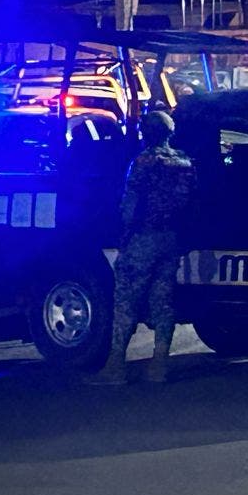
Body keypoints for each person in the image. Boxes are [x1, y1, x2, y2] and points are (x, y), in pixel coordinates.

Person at [94, 110, 195, 385]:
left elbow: (131, 204)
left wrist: (124, 235)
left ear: (146, 133)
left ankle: (116, 367)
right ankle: (159, 366)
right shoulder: (184, 162)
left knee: (126, 301)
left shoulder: (143, 162)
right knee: (163, 302)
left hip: (143, 238)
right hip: (171, 239)